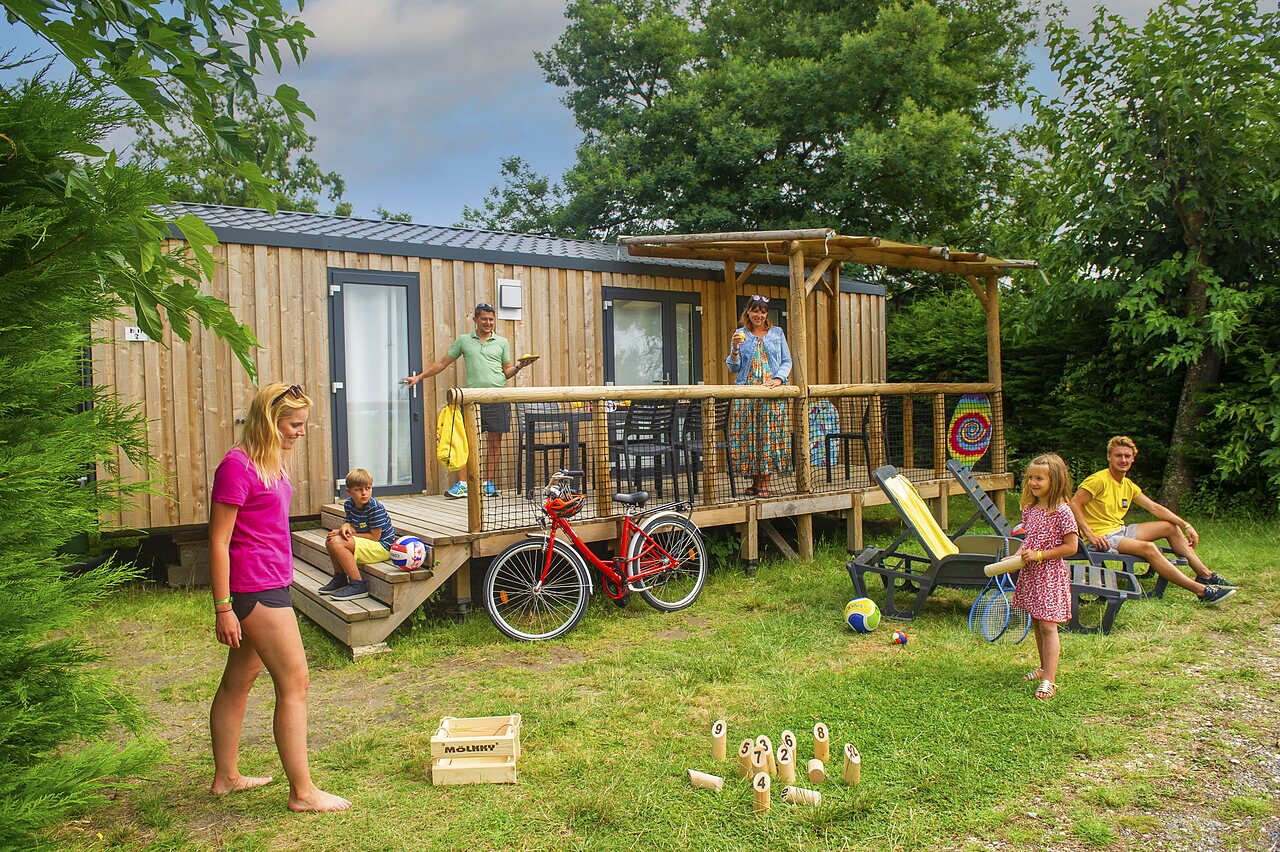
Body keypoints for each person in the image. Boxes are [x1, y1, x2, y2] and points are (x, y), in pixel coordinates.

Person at [208, 382, 350, 812]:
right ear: (270, 422)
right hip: (256, 588)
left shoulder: (270, 462)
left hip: (270, 581)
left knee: (238, 680)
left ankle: (226, 777)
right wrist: (223, 608)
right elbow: (218, 542)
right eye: (294, 425)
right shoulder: (236, 467)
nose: (301, 432)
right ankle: (302, 793)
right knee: (295, 684)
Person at [1071, 436, 1237, 605]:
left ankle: (1205, 575)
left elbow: (1154, 508)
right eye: (1118, 455)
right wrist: (1090, 535)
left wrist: (1185, 524)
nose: (1123, 460)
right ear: (1109, 457)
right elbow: (1074, 503)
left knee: (1170, 527)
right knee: (1150, 548)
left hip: (1120, 530)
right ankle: (1201, 591)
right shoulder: (1098, 480)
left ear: (1133, 459)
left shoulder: (1128, 485)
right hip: (1103, 537)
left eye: (1127, 456)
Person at [405, 303, 532, 499]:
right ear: (475, 320)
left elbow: (506, 372)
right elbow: (443, 362)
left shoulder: (502, 342)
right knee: (463, 443)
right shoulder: (464, 341)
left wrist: (519, 366)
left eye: (491, 319)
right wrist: (419, 377)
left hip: (498, 398)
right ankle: (463, 485)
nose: (488, 323)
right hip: (472, 400)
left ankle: (488, 484)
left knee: (494, 443)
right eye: (484, 319)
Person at [1013, 453, 1079, 702]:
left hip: (1050, 576)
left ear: (1055, 480)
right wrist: (1015, 559)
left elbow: (1071, 547)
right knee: (1038, 623)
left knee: (1049, 626)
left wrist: (1039, 555)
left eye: (1039, 478)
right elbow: (1028, 542)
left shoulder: (1062, 511)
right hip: (1032, 574)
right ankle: (1043, 668)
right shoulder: (1030, 509)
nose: (1033, 482)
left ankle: (1049, 680)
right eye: (1030, 477)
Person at [725, 295, 792, 498]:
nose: (759, 315)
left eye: (762, 312)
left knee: (768, 436)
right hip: (747, 394)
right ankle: (755, 482)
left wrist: (779, 379)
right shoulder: (740, 334)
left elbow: (787, 361)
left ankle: (765, 483)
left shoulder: (777, 333)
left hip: (771, 393)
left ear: (766, 314)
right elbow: (734, 367)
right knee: (750, 437)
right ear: (748, 311)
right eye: (755, 311)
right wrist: (735, 349)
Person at [319, 467, 396, 601]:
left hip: (383, 547)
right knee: (330, 540)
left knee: (337, 542)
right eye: (359, 489)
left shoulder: (375, 508)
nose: (364, 493)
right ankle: (340, 577)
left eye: (368, 488)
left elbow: (375, 537)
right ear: (349, 491)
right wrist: (344, 526)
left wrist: (347, 535)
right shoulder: (349, 504)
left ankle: (358, 584)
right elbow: (349, 522)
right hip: (369, 542)